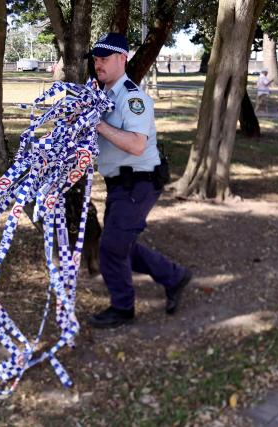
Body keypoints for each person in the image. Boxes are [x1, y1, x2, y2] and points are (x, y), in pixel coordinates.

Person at [87, 33, 192, 329]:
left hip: (139, 183)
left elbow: (135, 144)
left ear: (123, 58)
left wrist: (97, 124)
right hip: (121, 185)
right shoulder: (105, 96)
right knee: (122, 245)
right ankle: (175, 276)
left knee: (111, 248)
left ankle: (123, 308)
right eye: (96, 59)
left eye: (104, 59)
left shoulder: (133, 98)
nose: (98, 65)